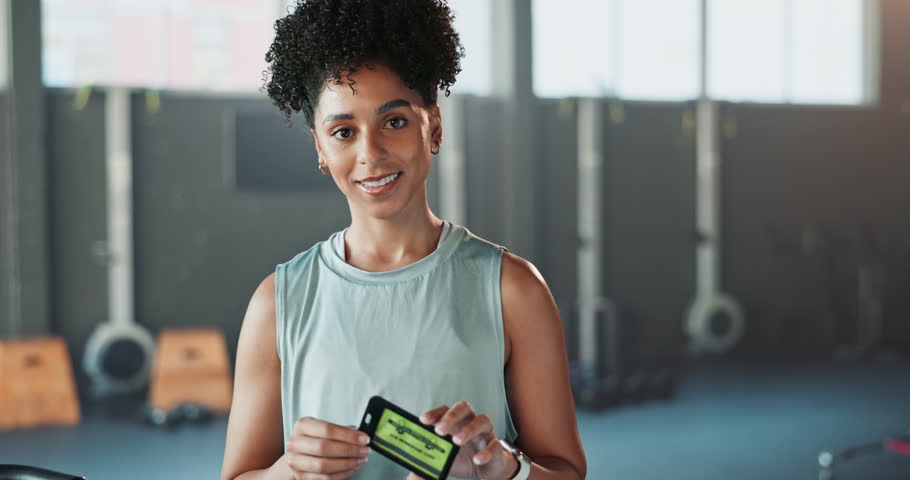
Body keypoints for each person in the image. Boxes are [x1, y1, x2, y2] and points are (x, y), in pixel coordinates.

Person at [220, 1, 586, 479]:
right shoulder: (279, 303)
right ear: (320, 149)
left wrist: (504, 470)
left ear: (433, 125)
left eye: (394, 122)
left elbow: (565, 472)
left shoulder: (512, 290)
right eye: (344, 131)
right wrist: (284, 473)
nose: (370, 153)